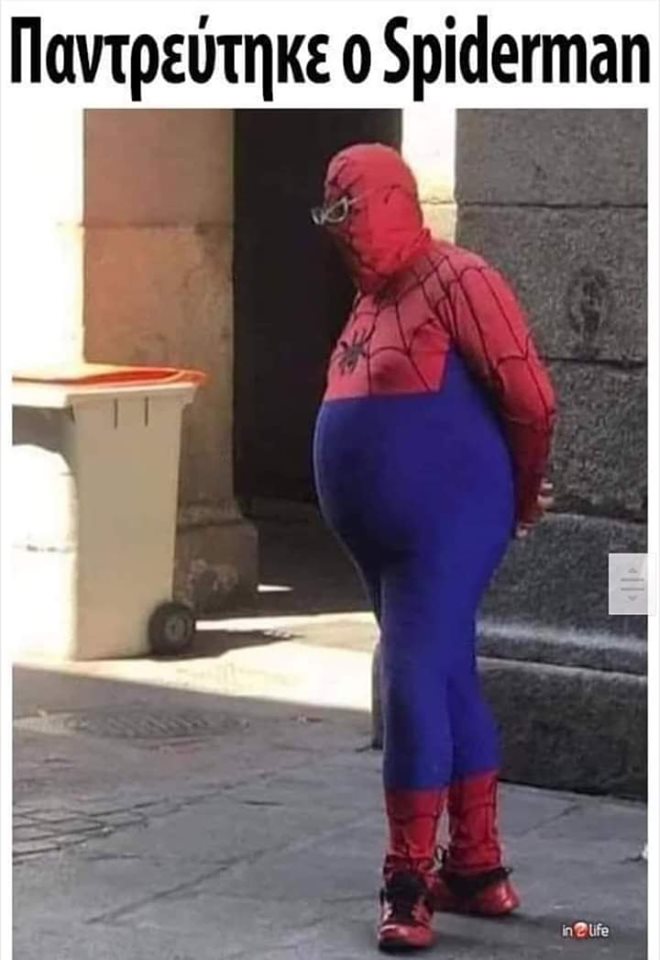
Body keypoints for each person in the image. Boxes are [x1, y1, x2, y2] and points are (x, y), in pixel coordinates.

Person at [311, 143, 556, 952]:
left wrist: (524, 491)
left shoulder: (459, 278)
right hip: (383, 536)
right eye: (331, 213)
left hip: (443, 523)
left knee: (413, 676)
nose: (343, 230)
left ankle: (408, 883)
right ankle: (477, 868)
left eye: (352, 209)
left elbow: (531, 397)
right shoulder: (371, 299)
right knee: (444, 673)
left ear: (396, 202)